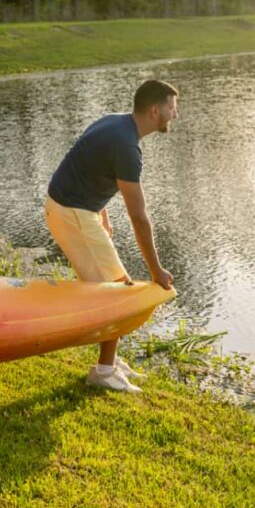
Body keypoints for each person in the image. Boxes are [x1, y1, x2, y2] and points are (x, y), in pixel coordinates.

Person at [45, 79, 178, 393]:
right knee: (117, 293)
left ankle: (111, 361)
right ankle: (103, 371)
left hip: (74, 210)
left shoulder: (117, 125)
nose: (176, 114)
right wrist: (156, 270)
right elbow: (139, 217)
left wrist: (100, 212)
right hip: (71, 214)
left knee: (112, 287)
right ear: (154, 110)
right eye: (173, 107)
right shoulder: (127, 147)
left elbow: (88, 163)